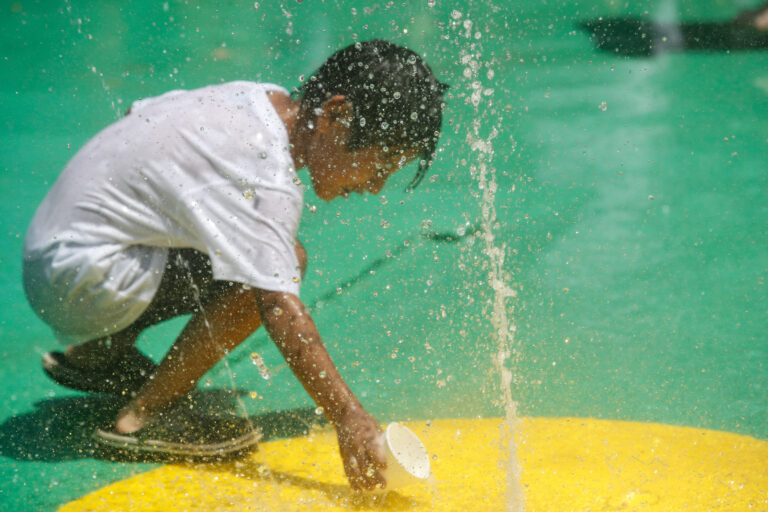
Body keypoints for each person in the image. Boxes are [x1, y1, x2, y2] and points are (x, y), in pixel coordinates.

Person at [22, 39, 447, 491]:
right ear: (334, 115)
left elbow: (135, 116)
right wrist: (349, 418)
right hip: (76, 281)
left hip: (56, 252)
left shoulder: (256, 98)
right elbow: (280, 309)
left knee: (220, 238)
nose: (377, 186)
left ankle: (98, 353)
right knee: (277, 266)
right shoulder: (264, 171)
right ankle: (143, 418)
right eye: (380, 162)